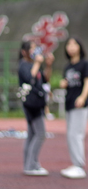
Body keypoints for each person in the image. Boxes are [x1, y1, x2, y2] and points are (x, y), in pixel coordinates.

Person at [18, 40, 54, 176]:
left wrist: (48, 65)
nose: (35, 51)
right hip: (31, 104)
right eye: (32, 48)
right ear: (24, 52)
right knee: (40, 134)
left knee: (32, 134)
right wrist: (38, 63)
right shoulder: (23, 65)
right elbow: (29, 79)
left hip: (37, 103)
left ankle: (29, 164)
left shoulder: (34, 65)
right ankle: (31, 165)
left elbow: (45, 79)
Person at [59, 37, 88, 179]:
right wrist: (63, 83)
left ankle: (79, 166)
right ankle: (75, 163)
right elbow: (67, 81)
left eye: (74, 44)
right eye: (68, 44)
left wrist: (83, 97)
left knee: (76, 134)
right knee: (70, 135)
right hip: (69, 103)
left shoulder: (85, 64)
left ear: (80, 47)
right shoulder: (68, 67)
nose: (71, 47)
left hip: (80, 104)